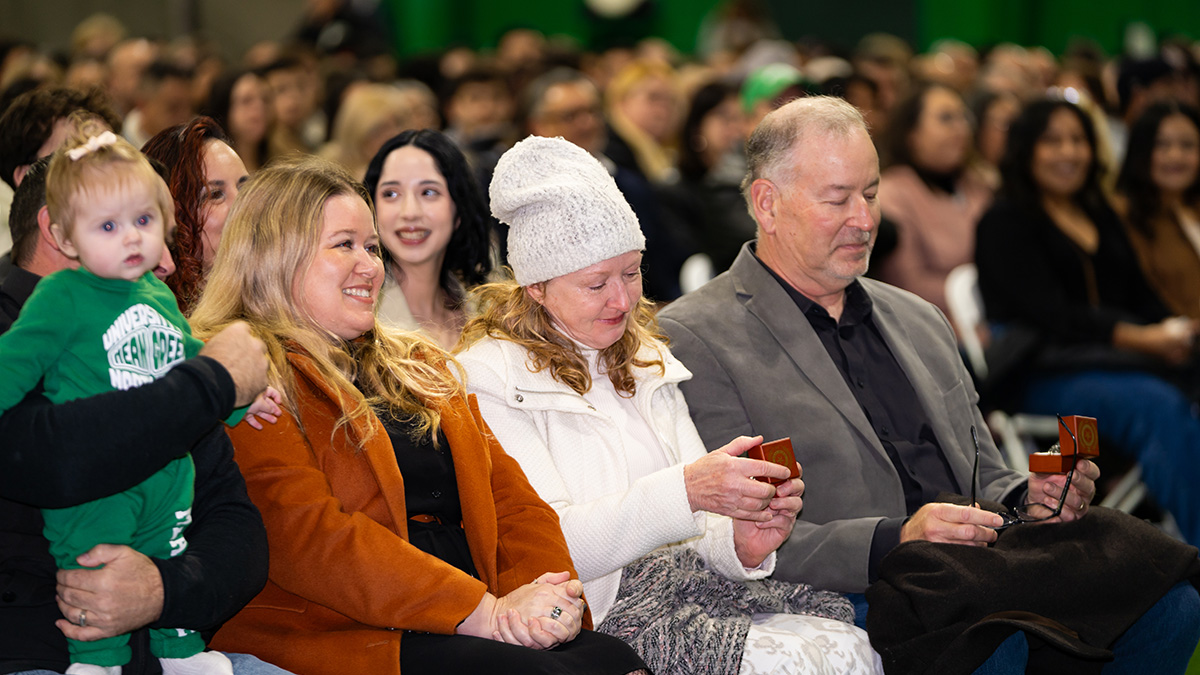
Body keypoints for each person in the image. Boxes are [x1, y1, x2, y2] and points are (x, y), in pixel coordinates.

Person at [657, 96, 1200, 672]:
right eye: (837, 199)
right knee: (988, 638)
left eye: (869, 194)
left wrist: (1030, 494)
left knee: (1168, 603)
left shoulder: (918, 318)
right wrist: (898, 536)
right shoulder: (697, 337)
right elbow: (738, 539)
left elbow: (986, 473)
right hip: (870, 583)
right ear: (767, 204)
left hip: (984, 563)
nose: (865, 220)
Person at [192, 156, 648, 675]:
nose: (370, 266)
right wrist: (485, 613)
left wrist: (549, 599)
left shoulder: (419, 364)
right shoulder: (246, 370)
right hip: (350, 631)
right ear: (273, 256)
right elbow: (308, 537)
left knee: (616, 661)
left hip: (471, 612)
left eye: (370, 247)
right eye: (344, 245)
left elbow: (515, 504)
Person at [457, 135, 881, 675]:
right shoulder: (489, 377)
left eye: (631, 273)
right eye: (595, 284)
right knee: (811, 659)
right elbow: (546, 548)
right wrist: (688, 489)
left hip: (689, 588)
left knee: (847, 642)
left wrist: (746, 543)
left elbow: (698, 531)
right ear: (536, 288)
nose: (621, 300)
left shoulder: (645, 359)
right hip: (597, 615)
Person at [0, 136, 289, 675]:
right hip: (37, 647)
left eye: (151, 226)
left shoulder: (156, 322)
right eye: (115, 226)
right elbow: (55, 460)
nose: (169, 262)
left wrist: (163, 589)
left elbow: (239, 529)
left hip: (172, 640)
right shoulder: (20, 327)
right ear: (59, 233)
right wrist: (211, 382)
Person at [976, 98, 1200, 547]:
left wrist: (1176, 328)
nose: (1069, 152)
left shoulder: (1099, 214)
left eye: (1078, 140)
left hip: (1112, 361)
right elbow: (1049, 314)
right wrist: (1139, 338)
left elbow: (1138, 294)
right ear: (1027, 150)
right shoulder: (1004, 221)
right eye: (1053, 141)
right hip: (1039, 373)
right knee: (1155, 405)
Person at [362, 129, 493, 348]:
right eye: (391, 194)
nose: (410, 212)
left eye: (428, 192)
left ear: (458, 209)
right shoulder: (360, 322)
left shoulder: (489, 310)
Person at [875, 83, 993, 315]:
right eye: (946, 119)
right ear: (912, 134)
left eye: (964, 118)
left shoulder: (978, 184)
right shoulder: (891, 194)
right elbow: (907, 285)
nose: (961, 129)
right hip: (933, 327)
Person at [142, 116, 249, 314]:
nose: (241, 205)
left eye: (245, 188)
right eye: (215, 195)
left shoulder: (277, 298)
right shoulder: (155, 322)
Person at [658, 80, 756, 275]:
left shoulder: (751, 183)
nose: (736, 128)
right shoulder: (674, 191)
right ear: (696, 126)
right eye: (725, 117)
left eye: (742, 118)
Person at [1114, 100, 1200, 320]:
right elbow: (1146, 298)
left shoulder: (1191, 206)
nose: (1176, 156)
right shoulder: (1123, 213)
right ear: (1141, 150)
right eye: (1162, 145)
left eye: (1187, 145)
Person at [201, 68, 273, 173]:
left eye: (265, 99)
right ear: (226, 110)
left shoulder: (281, 155)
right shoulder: (210, 166)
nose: (260, 106)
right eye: (247, 100)